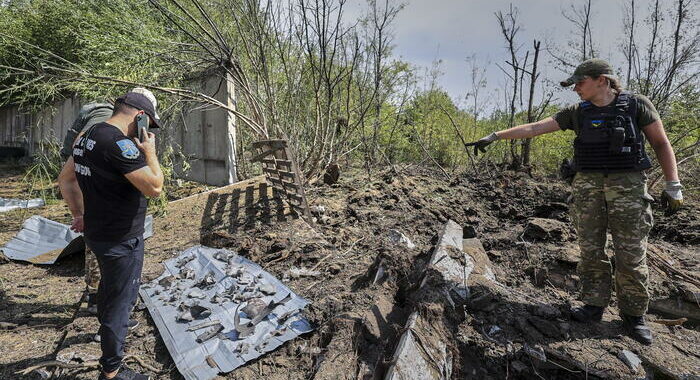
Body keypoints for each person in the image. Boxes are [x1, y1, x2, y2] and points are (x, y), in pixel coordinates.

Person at [467, 58, 683, 345]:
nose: (576, 89)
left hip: (628, 188)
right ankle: (594, 304)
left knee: (631, 254)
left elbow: (660, 143)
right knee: (591, 249)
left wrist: (673, 185)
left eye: (580, 83)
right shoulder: (577, 113)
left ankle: (633, 316)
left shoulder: (636, 105)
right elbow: (535, 128)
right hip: (587, 187)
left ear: (602, 80)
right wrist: (495, 135)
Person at [58, 88, 164, 380]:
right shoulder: (119, 145)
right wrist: (150, 153)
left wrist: (79, 214)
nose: (147, 130)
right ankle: (112, 371)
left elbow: (65, 180)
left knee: (107, 295)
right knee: (121, 305)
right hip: (122, 240)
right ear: (140, 116)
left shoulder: (86, 137)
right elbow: (154, 187)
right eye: (148, 124)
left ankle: (109, 354)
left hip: (97, 234)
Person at [61, 101, 114, 316]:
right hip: (82, 173)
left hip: (82, 172)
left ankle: (97, 295)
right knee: (95, 230)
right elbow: (80, 145)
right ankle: (96, 296)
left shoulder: (105, 115)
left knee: (94, 229)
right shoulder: (105, 117)